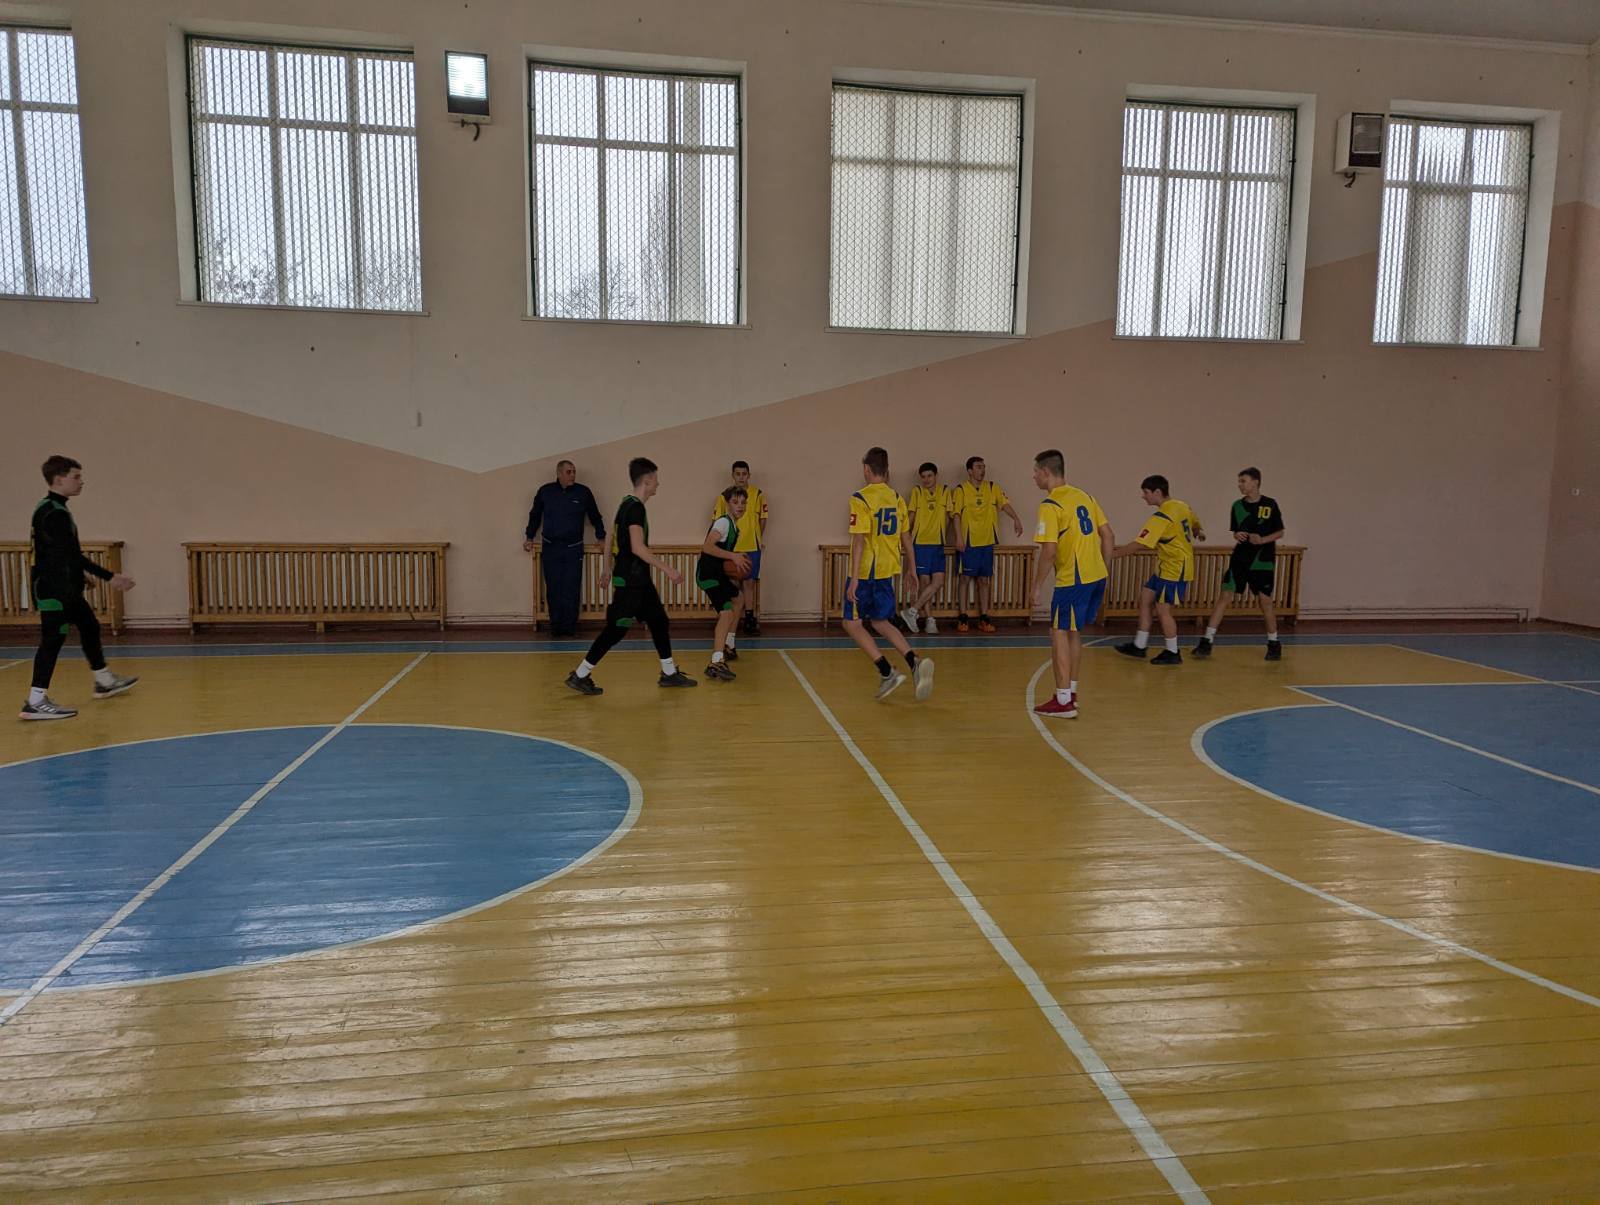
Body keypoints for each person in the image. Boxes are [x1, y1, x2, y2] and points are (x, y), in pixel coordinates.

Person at [565, 458, 697, 695]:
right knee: (616, 629)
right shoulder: (635, 508)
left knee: (659, 621)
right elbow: (637, 547)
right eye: (656, 479)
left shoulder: (625, 504)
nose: (658, 484)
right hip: (632, 580)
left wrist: (606, 567)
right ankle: (580, 674)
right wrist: (667, 569)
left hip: (638, 580)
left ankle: (669, 673)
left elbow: (610, 537)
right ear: (648, 480)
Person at [21, 456, 138, 721]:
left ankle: (103, 680)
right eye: (76, 477)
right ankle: (35, 700)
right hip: (53, 589)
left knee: (89, 625)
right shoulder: (54, 513)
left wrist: (79, 577)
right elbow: (71, 555)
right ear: (59, 479)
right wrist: (111, 577)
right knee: (52, 640)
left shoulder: (52, 508)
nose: (81, 482)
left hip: (65, 587)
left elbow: (56, 553)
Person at [843, 447, 933, 702]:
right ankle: (914, 662)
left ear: (866, 469)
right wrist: (912, 568)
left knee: (851, 623)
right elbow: (907, 537)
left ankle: (887, 672)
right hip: (887, 569)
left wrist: (855, 579)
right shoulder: (896, 498)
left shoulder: (860, 498)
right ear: (887, 471)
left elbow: (859, 541)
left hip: (866, 571)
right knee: (880, 621)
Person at [1029, 449, 1113, 720]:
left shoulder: (1050, 505)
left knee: (1058, 632)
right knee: (1073, 632)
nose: (1033, 477)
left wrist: (1036, 586)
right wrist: (1103, 568)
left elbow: (1049, 551)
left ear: (1045, 472)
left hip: (1073, 578)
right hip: (1095, 575)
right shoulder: (1085, 496)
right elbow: (1108, 535)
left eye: (1035, 472)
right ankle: (1071, 693)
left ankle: (1063, 700)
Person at [1196, 467, 1286, 661]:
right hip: (1240, 559)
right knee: (1224, 596)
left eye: (1243, 481)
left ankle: (1274, 643)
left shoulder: (1270, 504)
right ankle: (1206, 641)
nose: (1240, 485)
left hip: (1262, 562)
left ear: (1256, 482)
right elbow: (1237, 530)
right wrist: (1237, 534)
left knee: (1265, 601)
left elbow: (1280, 532)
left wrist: (1262, 540)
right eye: (1239, 482)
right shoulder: (1237, 506)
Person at [1113, 476, 1204, 666]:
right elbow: (1194, 522)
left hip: (1174, 569)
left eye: (1146, 492)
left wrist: (1111, 555)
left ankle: (1173, 652)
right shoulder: (1182, 506)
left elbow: (1139, 544)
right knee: (1145, 598)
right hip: (1165, 567)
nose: (1143, 496)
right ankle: (1139, 645)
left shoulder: (1161, 517)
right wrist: (1198, 532)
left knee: (1163, 610)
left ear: (1157, 492)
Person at [524, 460, 605, 638]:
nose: (573, 475)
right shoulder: (545, 491)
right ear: (559, 473)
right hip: (551, 547)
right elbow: (535, 515)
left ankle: (569, 627)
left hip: (573, 548)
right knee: (553, 588)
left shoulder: (583, 492)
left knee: (571, 588)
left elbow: (595, 516)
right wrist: (529, 537)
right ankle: (555, 627)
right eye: (569, 472)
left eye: (574, 472)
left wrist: (601, 537)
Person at [952, 455, 1022, 633]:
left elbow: (1004, 505)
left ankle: (984, 617)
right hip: (969, 541)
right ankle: (963, 617)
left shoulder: (992, 487)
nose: (982, 470)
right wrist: (959, 537)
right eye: (978, 467)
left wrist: (1016, 519)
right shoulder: (961, 490)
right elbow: (956, 515)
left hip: (987, 541)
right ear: (970, 471)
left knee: (984, 580)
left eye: (983, 467)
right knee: (964, 579)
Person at [698, 486, 752, 681]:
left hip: (718, 573)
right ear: (728, 504)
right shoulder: (723, 523)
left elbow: (723, 554)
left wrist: (734, 558)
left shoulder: (735, 527)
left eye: (743, 502)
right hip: (708, 575)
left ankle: (728, 644)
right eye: (735, 502)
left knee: (739, 598)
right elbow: (707, 546)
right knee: (726, 612)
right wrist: (733, 556)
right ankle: (716, 661)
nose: (740, 506)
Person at [711, 460, 768, 640]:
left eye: (744, 474)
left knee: (749, 583)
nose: (741, 477)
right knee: (732, 583)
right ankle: (730, 619)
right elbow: (716, 521)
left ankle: (749, 619)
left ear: (749, 475)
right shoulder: (724, 496)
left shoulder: (758, 494)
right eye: (738, 474)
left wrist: (758, 537)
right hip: (731, 548)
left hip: (751, 546)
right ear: (733, 476)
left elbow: (763, 518)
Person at [899, 462, 953, 635]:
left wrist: (945, 536)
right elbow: (911, 516)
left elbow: (949, 517)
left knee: (938, 581)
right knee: (924, 582)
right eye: (923, 477)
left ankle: (912, 611)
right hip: (921, 543)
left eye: (929, 476)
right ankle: (930, 619)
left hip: (937, 543)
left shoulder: (945, 491)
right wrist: (902, 537)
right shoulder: (917, 492)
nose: (926, 479)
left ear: (935, 475)